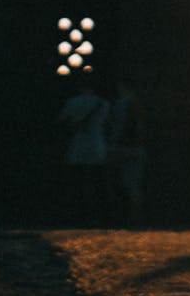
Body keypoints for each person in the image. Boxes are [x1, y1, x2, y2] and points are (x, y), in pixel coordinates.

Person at [57, 73, 111, 224]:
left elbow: (62, 119)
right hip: (97, 144)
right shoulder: (104, 103)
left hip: (79, 144)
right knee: (97, 180)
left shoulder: (73, 102)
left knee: (78, 181)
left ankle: (78, 214)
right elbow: (108, 123)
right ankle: (98, 215)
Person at [107, 76, 147, 227]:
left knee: (118, 182)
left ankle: (122, 216)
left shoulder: (120, 104)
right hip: (135, 147)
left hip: (122, 146)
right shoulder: (136, 104)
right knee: (133, 183)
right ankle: (133, 217)